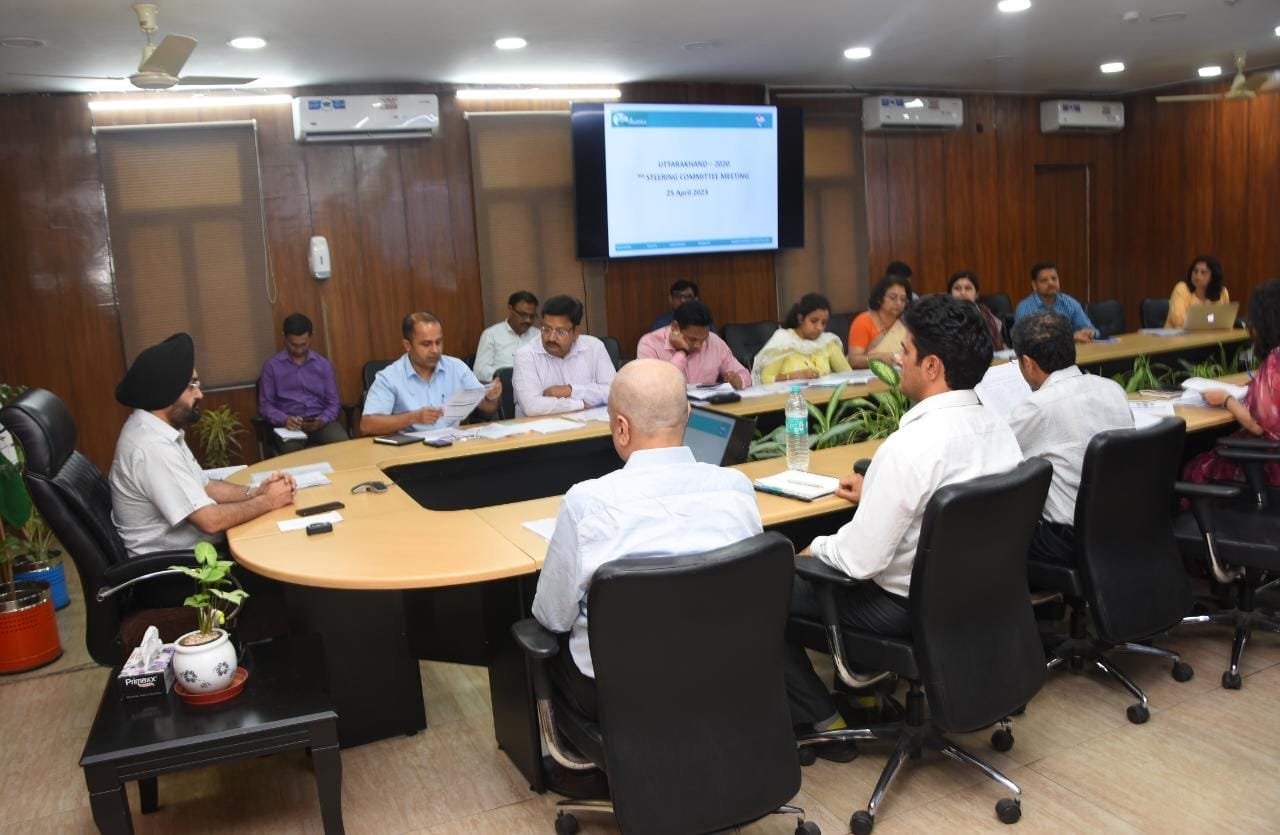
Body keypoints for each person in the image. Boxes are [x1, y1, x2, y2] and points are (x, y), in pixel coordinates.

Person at [782, 295, 1022, 753]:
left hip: (901, 607)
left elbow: (860, 561)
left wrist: (814, 548)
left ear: (931, 366)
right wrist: (878, 489)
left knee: (762, 586)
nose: (896, 358)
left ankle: (825, 720)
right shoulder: (999, 430)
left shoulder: (911, 446)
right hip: (976, 598)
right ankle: (864, 699)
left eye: (905, 350)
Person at [530, 359, 763, 719]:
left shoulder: (586, 504)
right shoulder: (737, 489)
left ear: (621, 428)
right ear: (688, 415)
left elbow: (553, 617)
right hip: (725, 676)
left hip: (619, 695)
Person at [110, 333, 297, 558]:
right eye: (191, 385)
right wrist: (268, 501)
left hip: (196, 553)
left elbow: (205, 486)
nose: (199, 393)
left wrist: (256, 492)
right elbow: (210, 521)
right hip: (182, 567)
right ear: (167, 392)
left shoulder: (158, 429)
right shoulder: (152, 447)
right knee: (285, 550)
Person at [1008, 312, 1133, 564]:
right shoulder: (1113, 389)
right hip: (1124, 528)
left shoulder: (1038, 407)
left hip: (1069, 542)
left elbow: (1000, 458)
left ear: (1028, 363)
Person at [1183, 278, 1280, 488]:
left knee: (1194, 467)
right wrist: (1257, 385)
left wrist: (1226, 399)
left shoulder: (1275, 361)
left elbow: (1258, 426)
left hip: (1270, 467)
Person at [360, 312, 501, 435]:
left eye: (438, 342)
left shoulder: (456, 367)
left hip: (454, 443)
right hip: (412, 449)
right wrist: (414, 417)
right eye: (426, 344)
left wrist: (491, 398)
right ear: (407, 345)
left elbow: (487, 408)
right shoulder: (389, 377)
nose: (435, 350)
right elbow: (367, 425)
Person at [513, 295, 617, 416]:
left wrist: (570, 390)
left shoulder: (594, 347)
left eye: (561, 332)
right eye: (546, 329)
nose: (551, 338)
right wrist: (581, 404)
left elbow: (614, 392)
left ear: (576, 332)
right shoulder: (525, 355)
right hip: (542, 427)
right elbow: (532, 407)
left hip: (589, 424)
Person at [258, 313, 346, 454]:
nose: (299, 349)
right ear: (284, 337)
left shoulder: (323, 365)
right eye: (293, 345)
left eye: (303, 344)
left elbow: (333, 402)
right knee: (293, 454)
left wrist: (323, 420)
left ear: (311, 337)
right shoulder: (271, 367)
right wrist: (285, 419)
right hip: (289, 426)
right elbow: (265, 405)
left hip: (319, 421)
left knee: (343, 444)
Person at [636, 299, 749, 389]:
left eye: (703, 339)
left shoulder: (714, 342)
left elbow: (744, 374)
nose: (698, 346)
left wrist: (739, 381)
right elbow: (652, 388)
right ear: (675, 327)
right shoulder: (650, 343)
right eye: (692, 339)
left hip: (707, 408)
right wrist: (682, 352)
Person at [752, 293, 852, 384]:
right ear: (800, 318)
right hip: (792, 397)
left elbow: (848, 375)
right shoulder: (784, 341)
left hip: (825, 396)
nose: (819, 327)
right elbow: (766, 379)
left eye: (824, 323)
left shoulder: (827, 342)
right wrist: (794, 376)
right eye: (814, 321)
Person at [1013, 261, 1098, 343]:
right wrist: (1070, 337)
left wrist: (1090, 333)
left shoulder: (1070, 303)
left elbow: (1094, 331)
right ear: (1034, 285)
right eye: (1044, 280)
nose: (1051, 283)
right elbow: (1022, 340)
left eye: (1054, 278)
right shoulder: (1025, 308)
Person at [473, 290, 539, 383]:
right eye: (523, 315)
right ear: (510, 309)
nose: (528, 320)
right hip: (503, 385)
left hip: (533, 384)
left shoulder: (538, 335)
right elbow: (479, 370)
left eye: (532, 316)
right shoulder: (491, 334)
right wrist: (507, 376)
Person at [847, 275, 912, 368]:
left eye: (903, 299)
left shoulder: (906, 323)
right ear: (879, 298)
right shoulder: (863, 321)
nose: (899, 303)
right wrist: (879, 358)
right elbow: (854, 360)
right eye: (893, 297)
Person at [1165, 255, 1230, 329]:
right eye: (1195, 271)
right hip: (1177, 335)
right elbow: (1179, 321)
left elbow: (1226, 320)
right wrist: (1208, 325)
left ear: (1213, 276)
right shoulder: (1182, 288)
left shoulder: (1222, 292)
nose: (1198, 276)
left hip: (1210, 334)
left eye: (1203, 272)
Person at [948, 270, 1005, 351]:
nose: (963, 293)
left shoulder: (984, 313)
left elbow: (998, 344)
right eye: (957, 288)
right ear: (950, 294)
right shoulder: (944, 315)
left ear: (976, 294)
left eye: (968, 288)